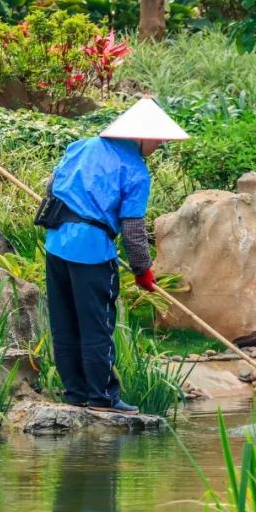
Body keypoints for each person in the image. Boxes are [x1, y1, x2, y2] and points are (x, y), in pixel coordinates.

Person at [40, 98, 189, 414]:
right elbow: (133, 230)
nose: (160, 144)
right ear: (141, 135)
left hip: (56, 244)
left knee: (65, 321)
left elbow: (52, 186)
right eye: (159, 138)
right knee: (97, 324)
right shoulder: (136, 171)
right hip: (92, 251)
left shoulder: (82, 146)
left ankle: (75, 393)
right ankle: (103, 397)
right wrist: (142, 271)